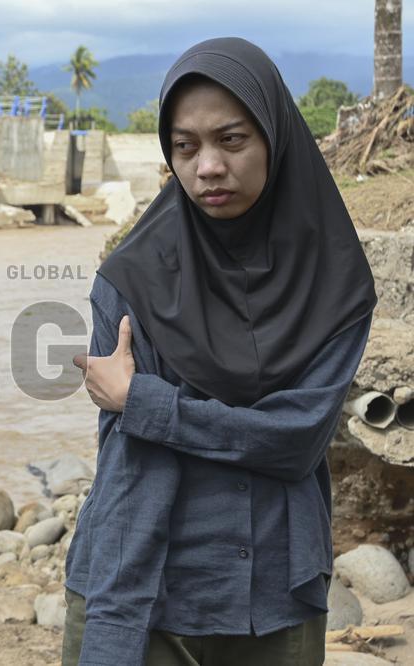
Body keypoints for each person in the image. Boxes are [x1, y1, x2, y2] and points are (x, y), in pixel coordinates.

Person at [61, 37, 378, 666]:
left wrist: (143, 400)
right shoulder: (132, 280)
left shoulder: (334, 285)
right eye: (185, 146)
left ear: (275, 139)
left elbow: (294, 441)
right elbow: (128, 461)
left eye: (231, 140)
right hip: (141, 587)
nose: (207, 166)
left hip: (272, 595)